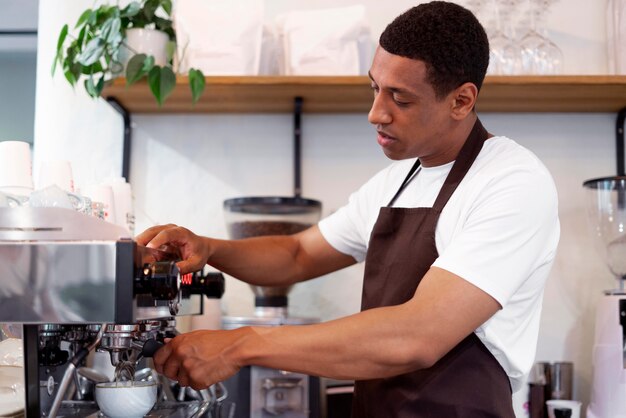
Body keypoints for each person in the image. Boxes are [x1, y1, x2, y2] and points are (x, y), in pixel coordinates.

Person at [136, 1, 560, 416]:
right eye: (375, 88)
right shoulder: (397, 181)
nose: (376, 113)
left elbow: (418, 335)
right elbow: (296, 255)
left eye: (401, 98)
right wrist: (209, 248)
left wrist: (241, 344)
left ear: (461, 101)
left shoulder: (511, 181)